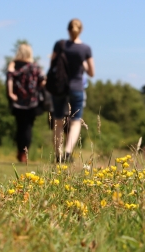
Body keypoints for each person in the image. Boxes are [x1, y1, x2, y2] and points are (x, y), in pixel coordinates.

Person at [51, 19, 94, 163]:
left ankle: (58, 154)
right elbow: (91, 72)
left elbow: (53, 63)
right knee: (75, 122)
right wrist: (81, 63)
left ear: (68, 30)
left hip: (59, 87)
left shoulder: (60, 45)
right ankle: (68, 153)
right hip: (77, 88)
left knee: (57, 121)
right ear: (81, 30)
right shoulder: (85, 49)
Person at [7, 44, 45, 163]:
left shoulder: (14, 65)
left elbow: (9, 78)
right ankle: (24, 153)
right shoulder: (34, 66)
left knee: (20, 128)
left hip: (18, 101)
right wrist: (36, 90)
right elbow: (43, 80)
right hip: (32, 102)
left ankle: (20, 152)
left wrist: (10, 93)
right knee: (28, 128)